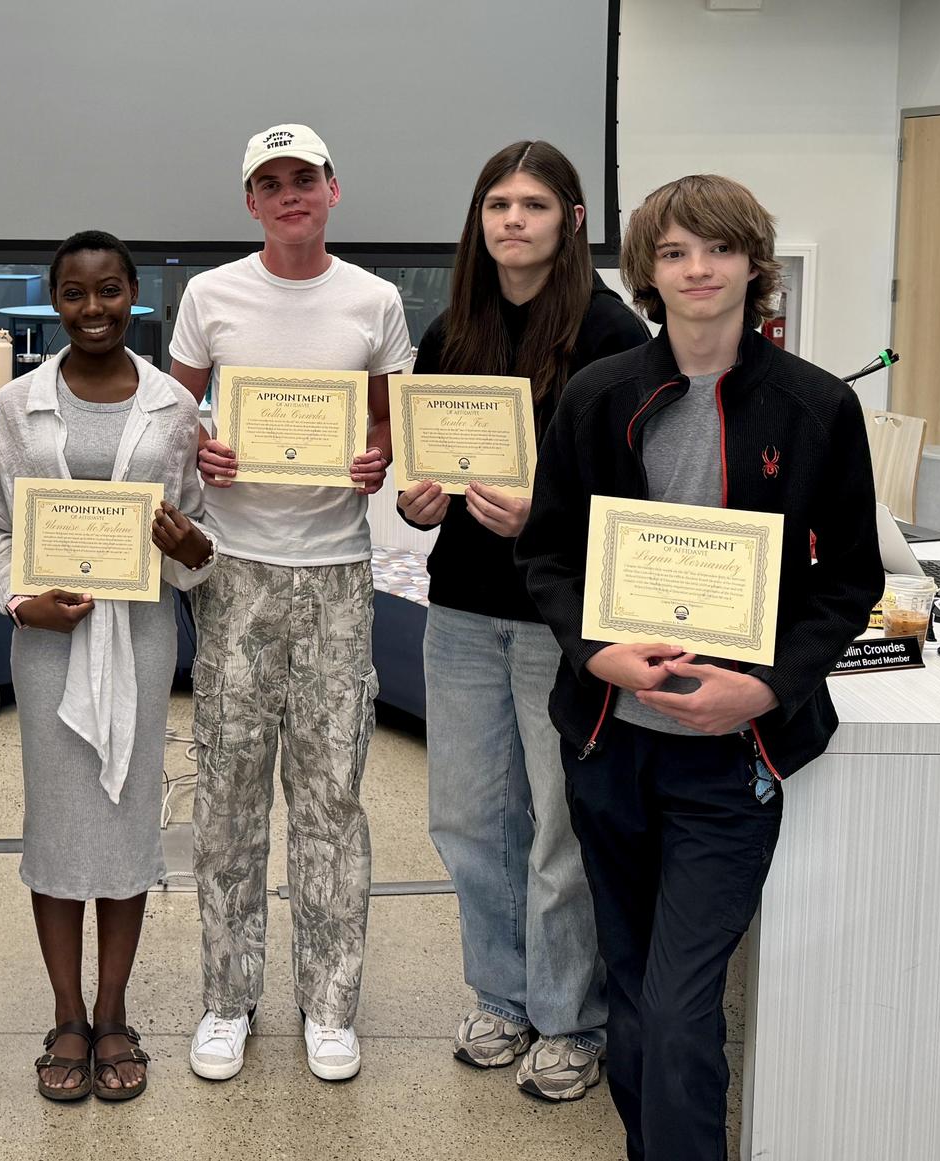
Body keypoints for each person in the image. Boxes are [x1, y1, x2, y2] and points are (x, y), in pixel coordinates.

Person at [514, 175, 881, 1160]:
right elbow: (548, 555)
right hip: (612, 747)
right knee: (633, 999)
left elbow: (849, 579)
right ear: (648, 273)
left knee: (679, 1009)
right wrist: (600, 651)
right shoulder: (598, 396)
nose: (697, 270)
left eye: (717, 249)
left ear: (755, 263)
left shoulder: (817, 407)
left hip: (730, 756)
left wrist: (765, 686)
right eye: (673, 253)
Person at [396, 141, 649, 1101]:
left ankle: (571, 1017)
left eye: (533, 204)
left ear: (572, 220)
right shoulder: (449, 332)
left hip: (562, 619)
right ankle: (501, 998)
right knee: (467, 817)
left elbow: (638, 495)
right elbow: (427, 477)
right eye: (497, 203)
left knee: (558, 826)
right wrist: (419, 502)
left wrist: (546, 512)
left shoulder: (614, 335)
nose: (512, 220)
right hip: (462, 609)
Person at [169, 123, 413, 1085]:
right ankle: (228, 998)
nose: (289, 195)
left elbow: (389, 419)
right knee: (228, 795)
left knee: (331, 798)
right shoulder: (211, 295)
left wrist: (377, 456)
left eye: (303, 178)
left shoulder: (374, 300)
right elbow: (173, 414)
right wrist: (203, 446)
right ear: (251, 202)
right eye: (269, 183)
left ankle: (330, 1003)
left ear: (332, 188)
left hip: (337, 575)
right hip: (236, 572)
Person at [0, 231, 215, 1104]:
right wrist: (19, 601)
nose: (92, 309)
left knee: (125, 823)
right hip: (48, 642)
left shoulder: (174, 407)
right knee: (57, 825)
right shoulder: (16, 405)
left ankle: (114, 1011)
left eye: (109, 290)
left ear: (134, 294)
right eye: (74, 293)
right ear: (54, 299)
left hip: (140, 636)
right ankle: (67, 1016)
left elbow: (198, 533)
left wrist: (191, 547)